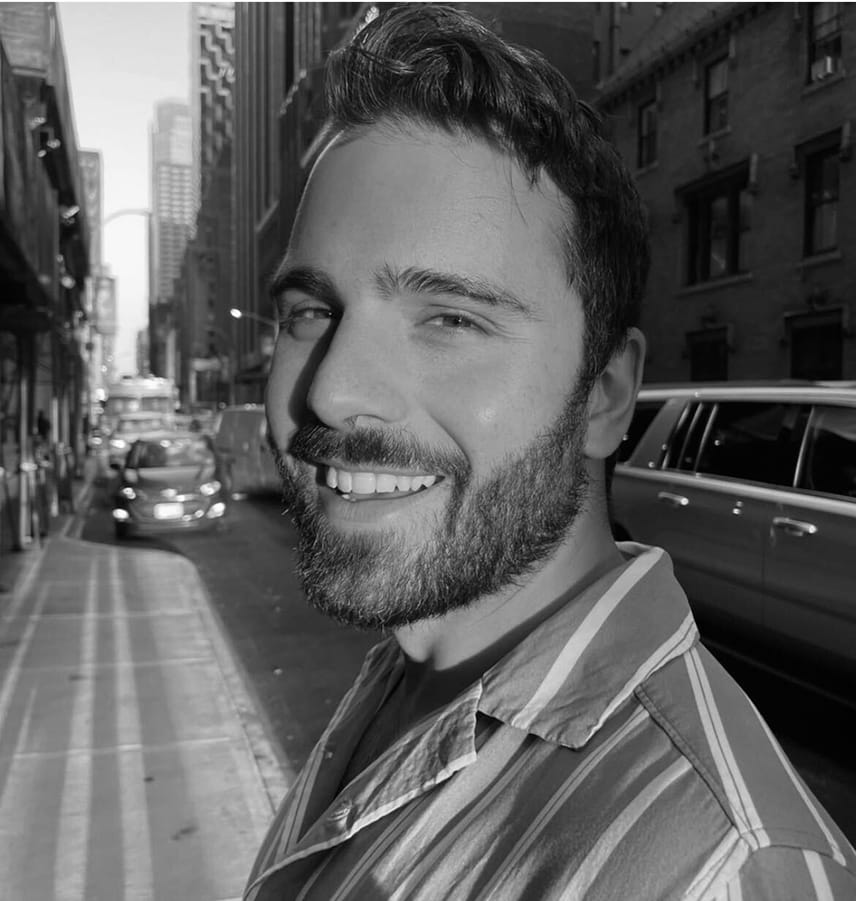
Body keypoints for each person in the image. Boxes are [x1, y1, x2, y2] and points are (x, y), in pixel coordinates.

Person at [246, 6, 856, 900]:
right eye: (310, 311)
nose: (334, 390)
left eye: (451, 318)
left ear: (605, 395)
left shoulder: (725, 870)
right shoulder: (411, 664)